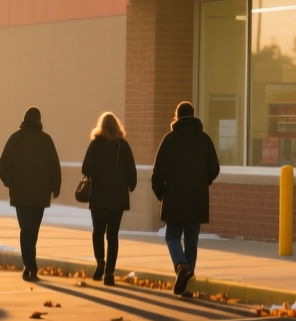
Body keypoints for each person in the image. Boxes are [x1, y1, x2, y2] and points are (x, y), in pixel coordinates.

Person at [151, 101, 221, 296]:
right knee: (191, 243)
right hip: (197, 200)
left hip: (174, 199)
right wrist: (203, 182)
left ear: (177, 117)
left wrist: (161, 194)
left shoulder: (170, 139)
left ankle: (181, 266)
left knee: (172, 236)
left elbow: (157, 173)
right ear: (193, 115)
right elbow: (214, 168)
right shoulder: (204, 139)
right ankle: (185, 285)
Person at [0, 106, 61, 282]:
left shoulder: (15, 139)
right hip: (40, 195)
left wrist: (9, 182)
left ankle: (29, 265)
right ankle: (31, 265)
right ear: (39, 120)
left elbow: (3, 164)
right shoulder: (46, 140)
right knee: (33, 230)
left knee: (26, 229)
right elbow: (54, 166)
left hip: (20, 194)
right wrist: (55, 187)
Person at [80, 111, 136, 286]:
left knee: (98, 231)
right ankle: (110, 272)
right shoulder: (123, 146)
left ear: (101, 127)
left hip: (99, 196)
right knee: (112, 235)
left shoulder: (96, 144)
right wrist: (129, 186)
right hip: (118, 198)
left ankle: (100, 264)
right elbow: (131, 172)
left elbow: (86, 168)